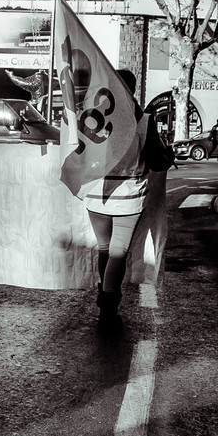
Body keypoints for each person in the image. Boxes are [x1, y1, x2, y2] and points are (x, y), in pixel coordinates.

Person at [78, 69, 174, 323]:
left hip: (95, 193)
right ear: (132, 90)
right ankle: (108, 308)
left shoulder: (91, 118)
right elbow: (158, 161)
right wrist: (170, 155)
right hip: (127, 196)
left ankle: (105, 299)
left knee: (105, 249)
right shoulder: (142, 121)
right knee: (118, 253)